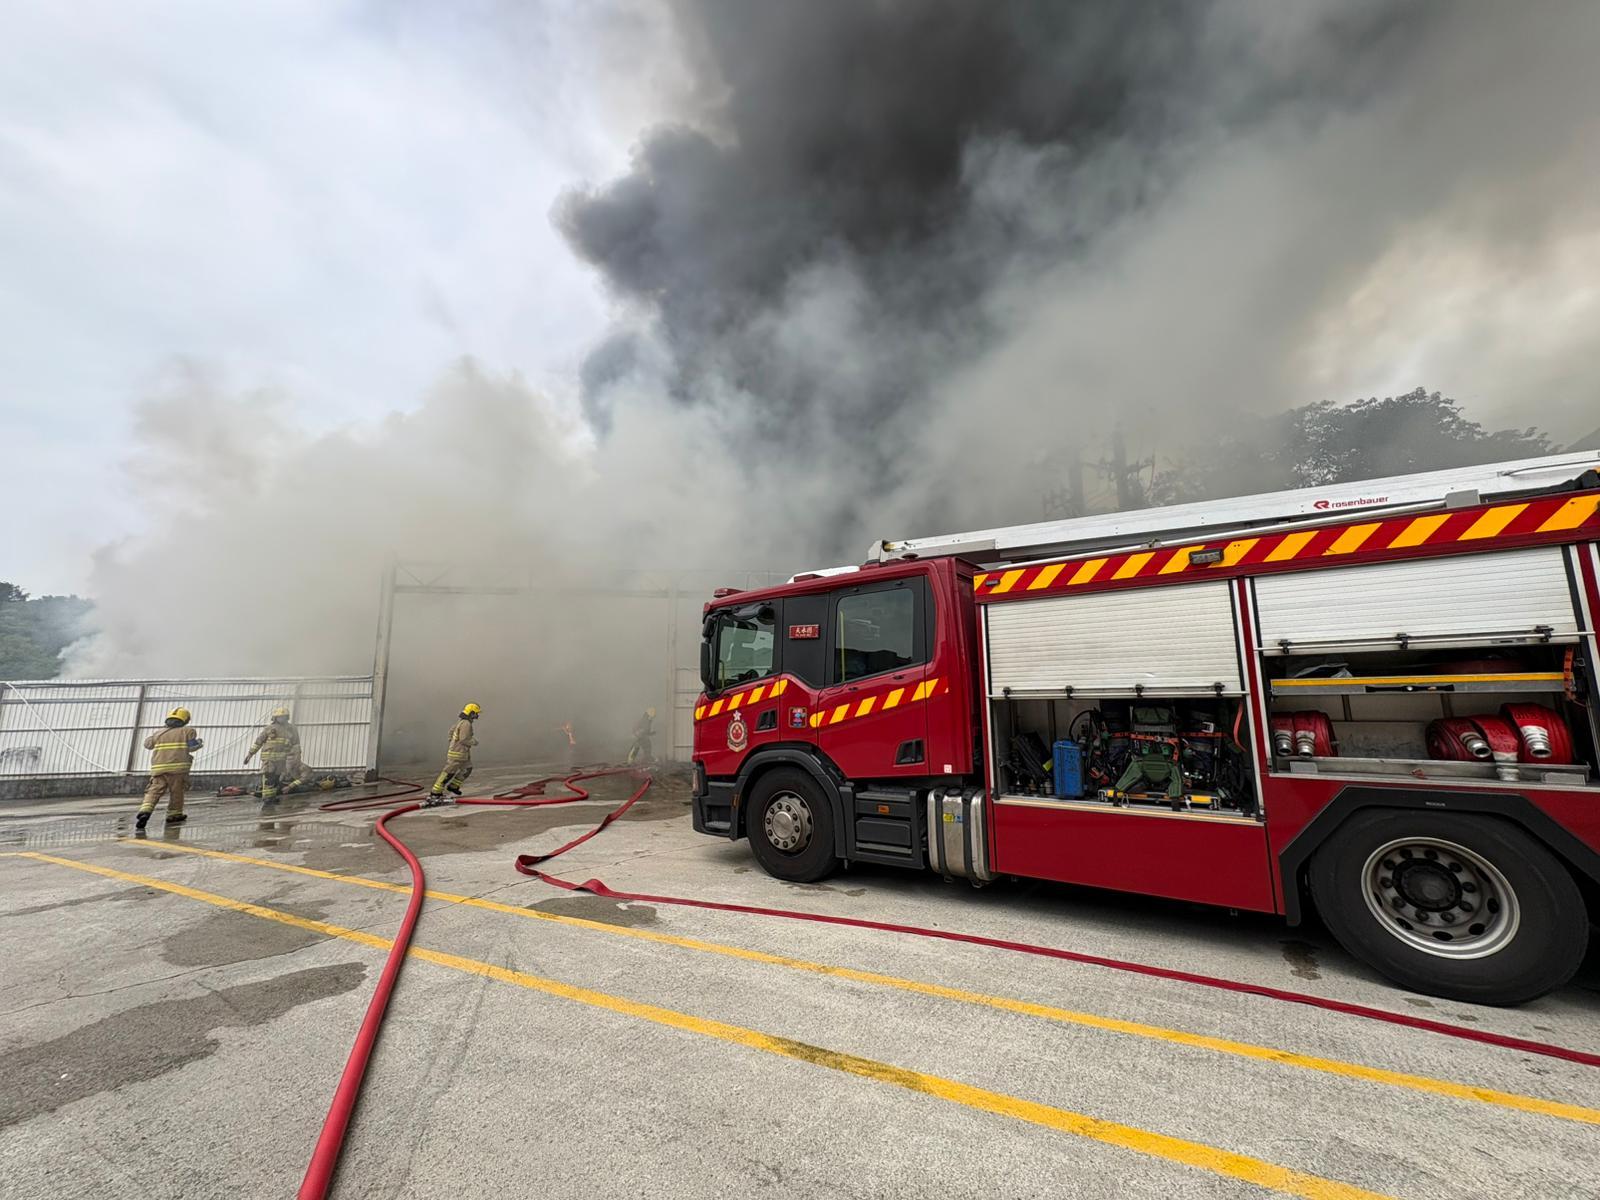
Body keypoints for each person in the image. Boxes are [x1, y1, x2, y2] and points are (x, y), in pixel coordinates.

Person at [138, 707, 203, 831]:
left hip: (158, 770)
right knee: (176, 792)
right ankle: (174, 814)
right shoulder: (188, 731)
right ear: (185, 720)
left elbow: (147, 745)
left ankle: (145, 811)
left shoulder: (159, 733)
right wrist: (199, 743)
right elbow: (192, 747)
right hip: (178, 770)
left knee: (153, 791)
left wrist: (157, 734)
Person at [426, 702, 481, 806]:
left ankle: (454, 786)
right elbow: (464, 739)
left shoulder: (460, 722)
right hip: (458, 754)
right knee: (448, 772)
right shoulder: (466, 724)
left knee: (467, 769)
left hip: (462, 753)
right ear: (472, 713)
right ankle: (435, 793)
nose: (477, 716)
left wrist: (452, 742)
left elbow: (451, 733)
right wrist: (474, 742)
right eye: (476, 713)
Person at [243, 706, 299, 804]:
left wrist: (296, 758)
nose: (282, 719)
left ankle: (272, 797)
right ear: (275, 718)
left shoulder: (292, 729)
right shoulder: (269, 729)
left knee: (277, 779)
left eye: (284, 717)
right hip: (269, 760)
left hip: (282, 760)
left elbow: (296, 745)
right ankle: (267, 799)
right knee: (269, 779)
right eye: (279, 717)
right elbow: (258, 742)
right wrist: (250, 754)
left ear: (287, 717)